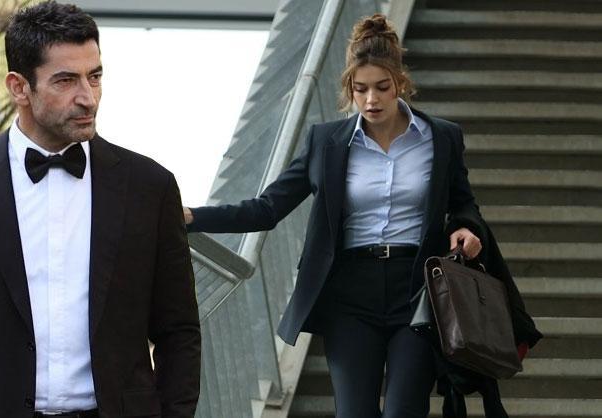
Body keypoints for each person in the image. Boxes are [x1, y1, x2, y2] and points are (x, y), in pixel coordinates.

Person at [185, 14, 539, 418]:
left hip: (417, 291)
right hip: (349, 296)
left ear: (400, 83)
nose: (371, 99)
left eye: (382, 87)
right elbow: (267, 209)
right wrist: (193, 217)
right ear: (349, 88)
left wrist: (466, 226)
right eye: (361, 89)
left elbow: (463, 202)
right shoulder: (326, 144)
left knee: (404, 411)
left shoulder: (441, 137)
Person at [0, 2, 201, 417]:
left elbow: (178, 330)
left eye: (95, 76)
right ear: (19, 87)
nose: (87, 97)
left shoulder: (150, 187)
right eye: (66, 80)